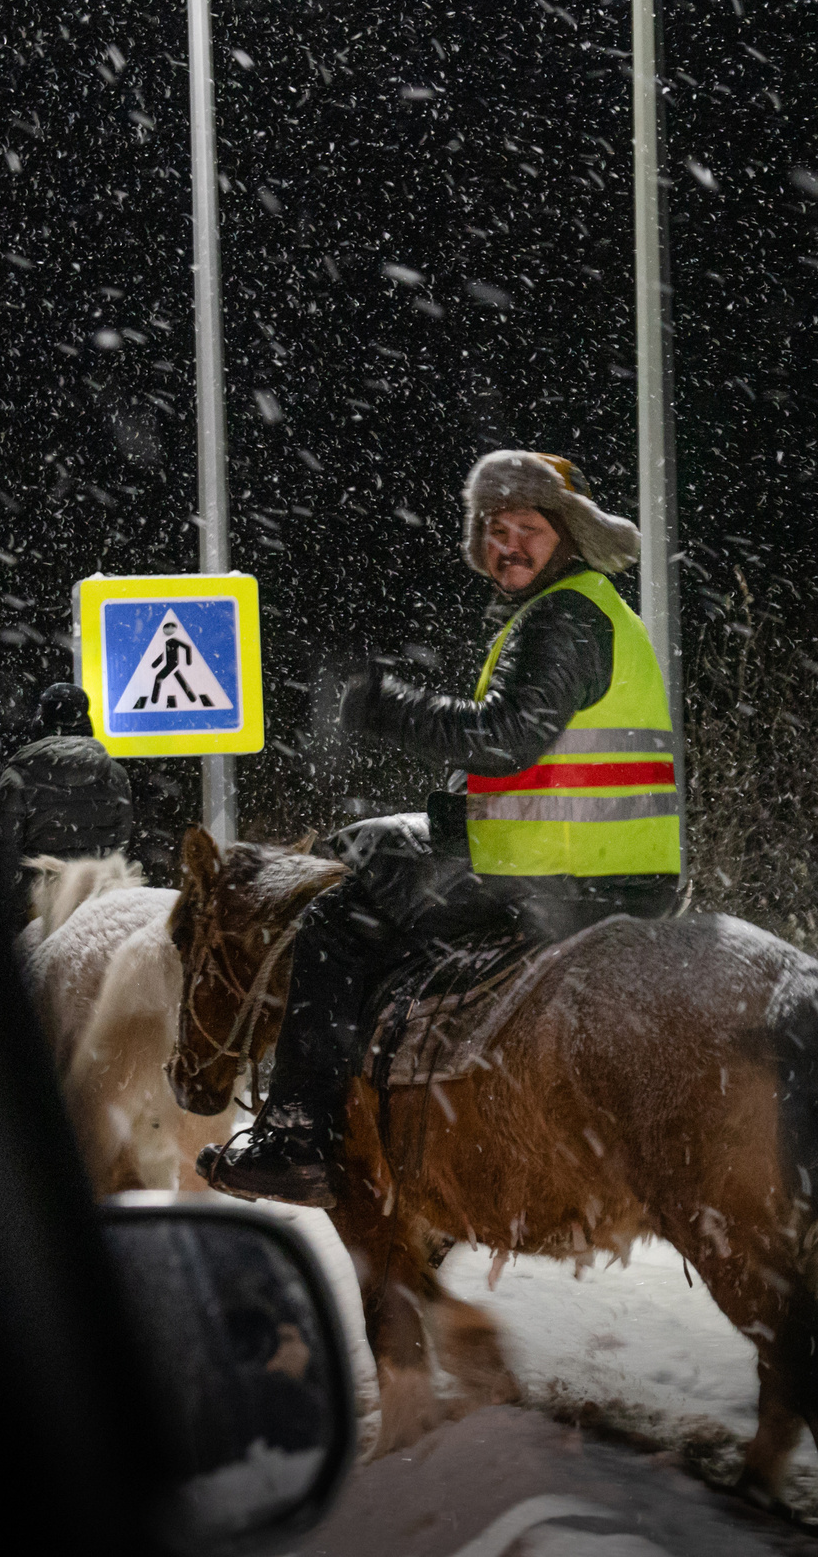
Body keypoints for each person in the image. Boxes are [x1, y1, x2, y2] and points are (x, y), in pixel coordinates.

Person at [201, 450, 682, 1204]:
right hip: (601, 868)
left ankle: (299, 1135)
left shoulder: (567, 616)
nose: (509, 543)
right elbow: (536, 758)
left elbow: (508, 733)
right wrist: (455, 808)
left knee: (337, 919)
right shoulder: (580, 612)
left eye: (529, 526)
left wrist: (382, 702)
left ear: (570, 536)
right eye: (495, 527)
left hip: (565, 882)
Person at [0, 681, 136, 908]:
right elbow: (121, 843)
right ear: (85, 720)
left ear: (42, 719)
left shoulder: (17, 777)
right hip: (97, 904)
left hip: (40, 908)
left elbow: (3, 854)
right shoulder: (115, 775)